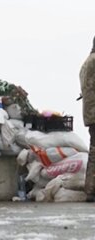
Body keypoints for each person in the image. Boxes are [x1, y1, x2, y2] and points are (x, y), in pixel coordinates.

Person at [79, 35, 95, 202]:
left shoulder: (86, 63)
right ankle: (91, 190)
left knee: (93, 152)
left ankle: (91, 189)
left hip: (90, 112)